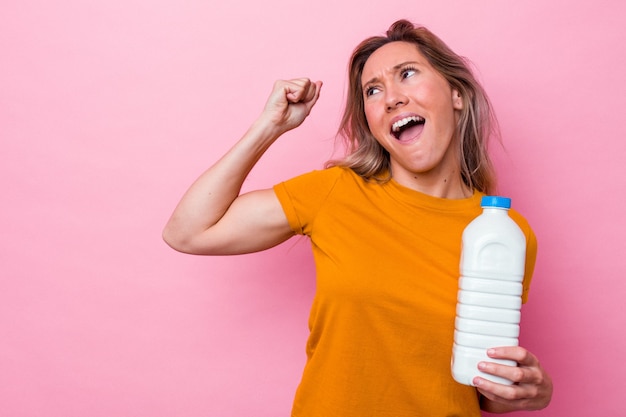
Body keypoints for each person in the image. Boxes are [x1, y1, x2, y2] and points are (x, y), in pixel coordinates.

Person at [163, 19, 553, 416]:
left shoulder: (505, 233)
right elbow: (188, 232)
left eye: (407, 74)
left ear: (456, 94)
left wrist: (532, 392)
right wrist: (270, 127)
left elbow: (482, 384)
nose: (391, 98)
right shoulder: (336, 192)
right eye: (373, 90)